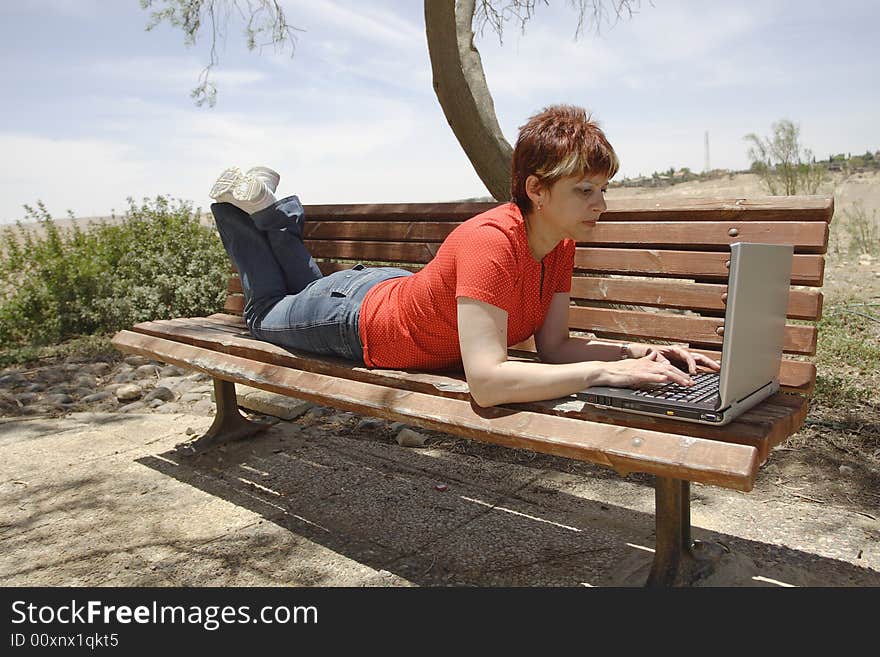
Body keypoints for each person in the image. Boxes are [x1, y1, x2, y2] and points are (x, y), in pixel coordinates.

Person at [209, 105, 719, 408]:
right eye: (585, 190)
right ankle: (241, 210)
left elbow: (555, 349)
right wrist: (601, 374)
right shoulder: (493, 242)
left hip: (383, 289)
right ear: (537, 189)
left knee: (300, 291)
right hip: (354, 319)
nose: (601, 205)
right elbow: (488, 382)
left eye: (603, 189)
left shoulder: (559, 243)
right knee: (264, 313)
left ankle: (269, 212)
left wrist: (640, 355)